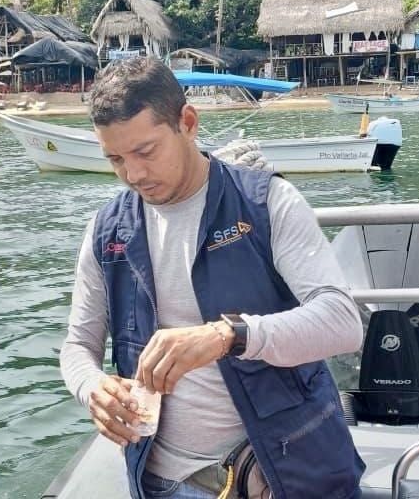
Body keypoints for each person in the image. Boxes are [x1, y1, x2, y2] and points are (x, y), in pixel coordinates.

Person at [60, 57, 365, 499]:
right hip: (157, 482)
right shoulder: (107, 230)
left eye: (146, 151)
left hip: (279, 474)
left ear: (187, 122)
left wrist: (228, 336)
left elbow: (342, 322)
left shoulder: (267, 203)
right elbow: (77, 345)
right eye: (116, 159)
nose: (133, 174)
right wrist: (92, 389)